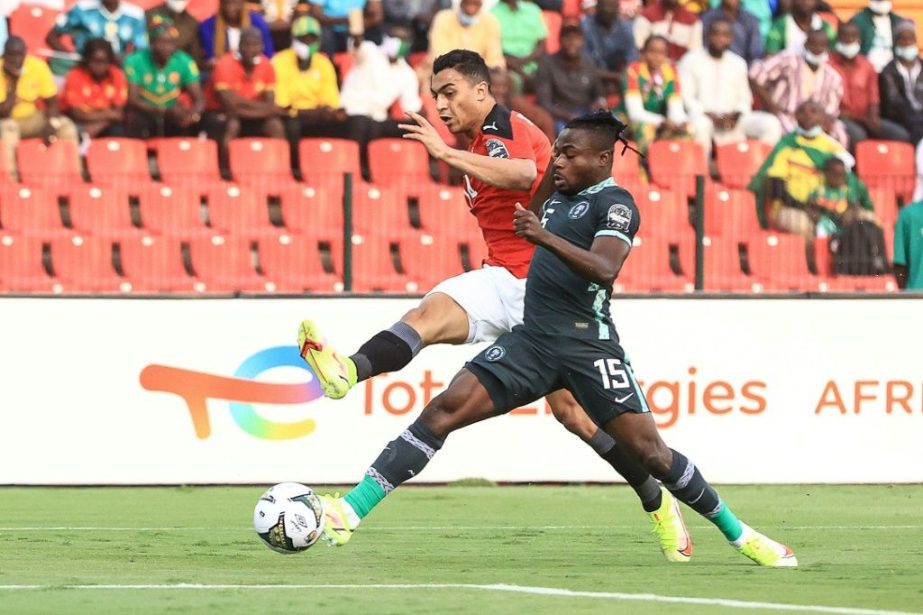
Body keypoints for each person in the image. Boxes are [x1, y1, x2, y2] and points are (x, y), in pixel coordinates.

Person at [301, 108, 798, 568]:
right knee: (441, 412)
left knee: (652, 454)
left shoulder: (616, 203)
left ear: (603, 159)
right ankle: (349, 512)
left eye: (568, 153)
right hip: (532, 342)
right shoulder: (554, 196)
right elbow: (523, 199)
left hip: (588, 346)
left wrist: (541, 236)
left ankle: (740, 535)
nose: (556, 160)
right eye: (556, 150)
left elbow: (604, 267)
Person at [747, 100, 855, 237]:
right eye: (802, 112)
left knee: (864, 221)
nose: (808, 115)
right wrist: (804, 208)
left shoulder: (834, 149)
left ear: (823, 117)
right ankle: (809, 258)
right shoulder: (787, 145)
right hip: (790, 208)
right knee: (803, 225)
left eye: (813, 112)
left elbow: (847, 185)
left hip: (828, 208)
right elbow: (775, 185)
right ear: (796, 116)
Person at [679, 17, 780, 158]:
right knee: (701, 125)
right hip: (704, 116)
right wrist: (710, 114)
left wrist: (736, 115)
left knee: (771, 123)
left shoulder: (738, 63)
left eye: (725, 35)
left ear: (731, 38)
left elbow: (745, 99)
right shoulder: (690, 60)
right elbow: (686, 97)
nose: (720, 39)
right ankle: (702, 172)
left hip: (733, 119)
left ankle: (760, 171)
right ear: (708, 35)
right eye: (716, 34)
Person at [749, 29, 846, 146]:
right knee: (789, 133)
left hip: (816, 122)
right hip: (784, 115)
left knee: (839, 133)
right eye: (813, 44)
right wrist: (771, 105)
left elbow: (831, 110)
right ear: (805, 45)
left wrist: (823, 122)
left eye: (821, 45)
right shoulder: (788, 60)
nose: (817, 49)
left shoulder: (832, 77)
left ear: (828, 48)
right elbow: (754, 76)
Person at [0, 36, 79, 178]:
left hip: (31, 118)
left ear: (25, 53)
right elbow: (4, 112)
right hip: (6, 121)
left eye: (19, 55)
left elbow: (52, 101)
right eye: (10, 55)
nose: (15, 59)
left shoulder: (37, 66)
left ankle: (73, 176)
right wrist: (13, 81)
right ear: (4, 54)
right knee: (9, 128)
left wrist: (52, 122)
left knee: (66, 126)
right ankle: (11, 180)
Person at [205, 27, 284, 166]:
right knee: (232, 125)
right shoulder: (225, 63)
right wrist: (263, 108)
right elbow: (229, 105)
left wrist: (245, 106)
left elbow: (270, 104)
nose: (251, 49)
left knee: (275, 125)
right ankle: (226, 171)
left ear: (262, 46)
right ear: (239, 46)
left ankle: (279, 168)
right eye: (247, 44)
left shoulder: (266, 65)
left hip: (249, 115)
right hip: (221, 114)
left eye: (255, 45)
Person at [829, 22, 907, 149]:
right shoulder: (829, 64)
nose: (849, 40)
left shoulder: (867, 65)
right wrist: (862, 120)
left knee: (900, 135)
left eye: (853, 37)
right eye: (845, 36)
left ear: (859, 40)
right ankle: (857, 168)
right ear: (838, 39)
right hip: (841, 118)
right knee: (858, 135)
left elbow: (873, 97)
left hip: (866, 117)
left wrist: (873, 117)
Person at [124, 16, 204, 138]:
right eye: (161, 42)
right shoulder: (135, 60)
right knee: (136, 121)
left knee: (194, 123)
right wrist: (163, 110)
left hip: (173, 113)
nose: (166, 47)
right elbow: (133, 100)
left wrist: (193, 114)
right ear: (152, 42)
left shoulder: (184, 61)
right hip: (145, 111)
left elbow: (199, 98)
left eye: (170, 43)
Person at [615, 35, 689, 156]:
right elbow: (635, 113)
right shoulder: (633, 72)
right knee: (645, 129)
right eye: (652, 51)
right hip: (628, 119)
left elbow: (676, 107)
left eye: (661, 52)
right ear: (643, 52)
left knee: (686, 132)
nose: (656, 57)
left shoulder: (671, 73)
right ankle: (644, 167)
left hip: (660, 120)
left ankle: (675, 170)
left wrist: (680, 122)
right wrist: (662, 121)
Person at [535, 24, 607, 135]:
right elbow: (544, 102)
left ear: (582, 41)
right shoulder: (547, 63)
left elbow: (598, 92)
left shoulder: (589, 62)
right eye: (567, 38)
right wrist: (569, 116)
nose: (572, 42)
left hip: (586, 111)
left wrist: (599, 101)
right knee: (572, 136)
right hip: (560, 114)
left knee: (613, 127)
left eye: (576, 38)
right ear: (559, 40)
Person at [60, 37, 128, 139]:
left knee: (119, 131)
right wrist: (108, 114)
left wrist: (99, 126)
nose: (99, 66)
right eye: (95, 61)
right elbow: (77, 113)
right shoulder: (74, 75)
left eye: (103, 62)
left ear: (110, 61)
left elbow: (118, 114)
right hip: (78, 123)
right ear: (87, 60)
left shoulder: (117, 75)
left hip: (106, 124)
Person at [47, 0, 148, 57]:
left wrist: (126, 60)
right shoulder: (83, 9)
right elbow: (51, 37)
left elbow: (142, 48)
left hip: (118, 70)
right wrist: (72, 57)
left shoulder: (135, 15)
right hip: (84, 67)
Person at [807, 156, 878, 238]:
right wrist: (818, 216)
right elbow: (810, 207)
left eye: (842, 175)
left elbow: (855, 206)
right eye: (836, 175)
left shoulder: (847, 191)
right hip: (824, 223)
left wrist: (850, 213)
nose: (840, 178)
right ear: (827, 173)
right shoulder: (820, 190)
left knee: (868, 219)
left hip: (845, 223)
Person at [878, 22, 923, 145]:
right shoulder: (888, 72)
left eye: (911, 39)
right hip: (901, 118)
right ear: (896, 42)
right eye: (903, 39)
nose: (907, 43)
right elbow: (893, 103)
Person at [428, 0, 505, 69]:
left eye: (475, 2)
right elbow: (439, 56)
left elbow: (495, 58)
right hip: (447, 72)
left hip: (480, 74)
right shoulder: (443, 19)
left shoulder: (491, 22)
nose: (471, 5)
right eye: (468, 2)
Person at [490, 0, 546, 94]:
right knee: (515, 81)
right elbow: (494, 50)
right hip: (508, 65)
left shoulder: (533, 10)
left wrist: (524, 60)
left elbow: (542, 43)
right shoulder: (492, 13)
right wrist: (520, 71)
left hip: (534, 62)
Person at [581, 0, 638, 91]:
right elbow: (584, 66)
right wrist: (616, 77)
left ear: (617, 9)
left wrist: (624, 75)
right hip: (591, 80)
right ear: (597, 7)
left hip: (619, 80)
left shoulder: (625, 28)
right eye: (603, 6)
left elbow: (632, 61)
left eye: (611, 7)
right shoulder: (585, 26)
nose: (607, 10)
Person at [489, 67, 555, 141]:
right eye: (495, 86)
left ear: (508, 87)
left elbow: (544, 119)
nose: (500, 90)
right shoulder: (481, 102)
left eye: (503, 86)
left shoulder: (515, 101)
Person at [199, 0, 274, 65]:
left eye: (235, 3)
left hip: (254, 70)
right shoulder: (209, 25)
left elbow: (267, 54)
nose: (230, 8)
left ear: (243, 3)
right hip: (223, 70)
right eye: (227, 3)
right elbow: (210, 57)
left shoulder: (257, 22)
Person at [849, 0, 909, 73]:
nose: (881, 3)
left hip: (892, 72)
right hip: (866, 72)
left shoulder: (898, 21)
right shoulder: (858, 20)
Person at [633, 0, 702, 63]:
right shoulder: (645, 17)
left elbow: (695, 53)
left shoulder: (693, 21)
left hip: (682, 70)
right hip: (652, 69)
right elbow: (640, 49)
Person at [699, 0, 763, 65]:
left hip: (742, 68)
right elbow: (703, 48)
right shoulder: (707, 18)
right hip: (710, 65)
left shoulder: (750, 20)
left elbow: (755, 53)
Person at [310, 0, 383, 54]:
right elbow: (316, 13)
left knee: (374, 36)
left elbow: (376, 16)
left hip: (358, 27)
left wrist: (357, 26)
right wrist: (342, 21)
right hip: (329, 27)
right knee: (325, 35)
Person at [764, 0, 835, 55]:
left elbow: (835, 55)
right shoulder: (780, 26)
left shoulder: (825, 27)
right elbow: (770, 56)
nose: (805, 1)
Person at [146, 0, 204, 66]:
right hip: (150, 64)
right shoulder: (150, 15)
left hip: (179, 67)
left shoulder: (191, 22)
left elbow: (194, 52)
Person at [893, 196, 923, 290]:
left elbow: (899, 264)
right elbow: (899, 264)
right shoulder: (907, 214)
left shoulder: (907, 214)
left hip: (915, 298)